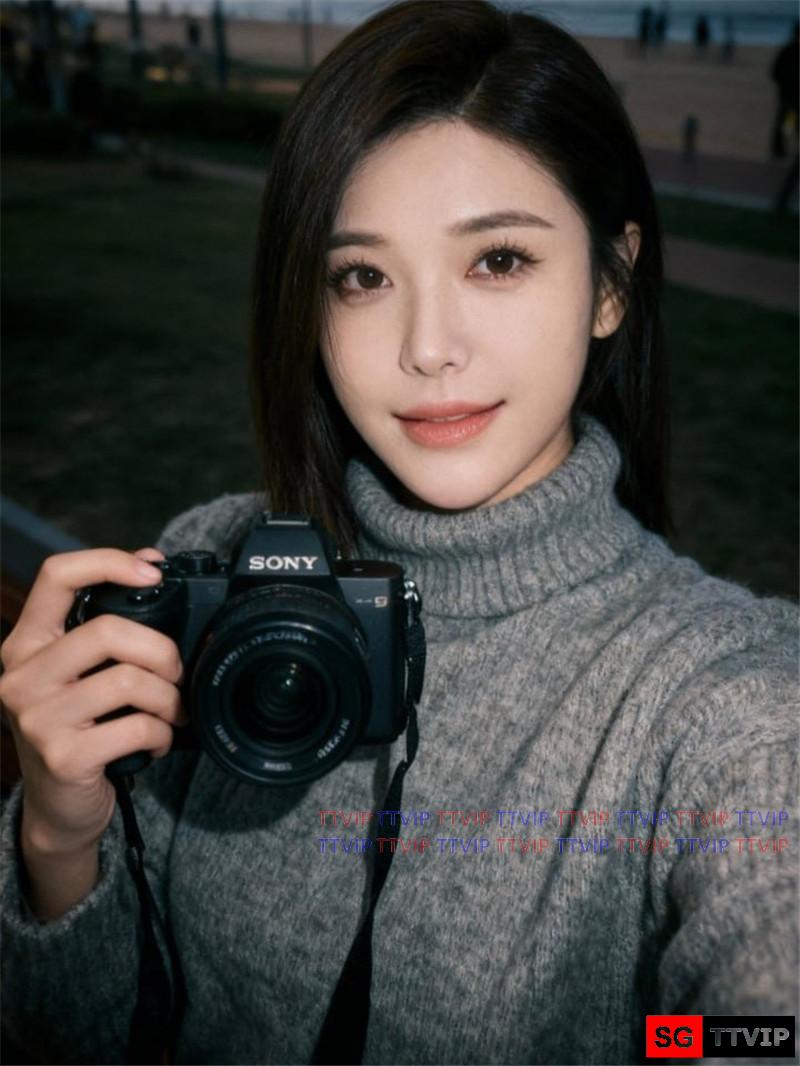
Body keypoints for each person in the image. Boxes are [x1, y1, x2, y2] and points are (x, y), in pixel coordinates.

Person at [1, 3, 797, 1065]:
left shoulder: (726, 698)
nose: (427, 347)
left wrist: (663, 1046)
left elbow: (766, 1021)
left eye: (497, 259)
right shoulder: (215, 560)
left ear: (610, 284)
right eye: (362, 277)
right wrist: (58, 837)